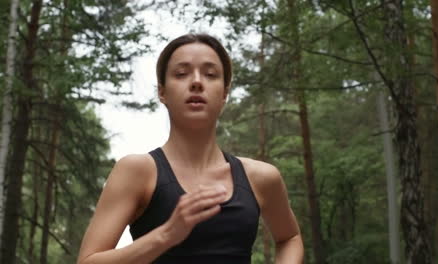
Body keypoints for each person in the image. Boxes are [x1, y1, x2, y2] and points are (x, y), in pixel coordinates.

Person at [77, 33, 303, 264]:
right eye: (181, 73)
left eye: (210, 74)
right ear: (162, 92)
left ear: (225, 92)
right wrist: (166, 235)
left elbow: (290, 237)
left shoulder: (262, 177)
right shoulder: (137, 171)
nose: (196, 82)